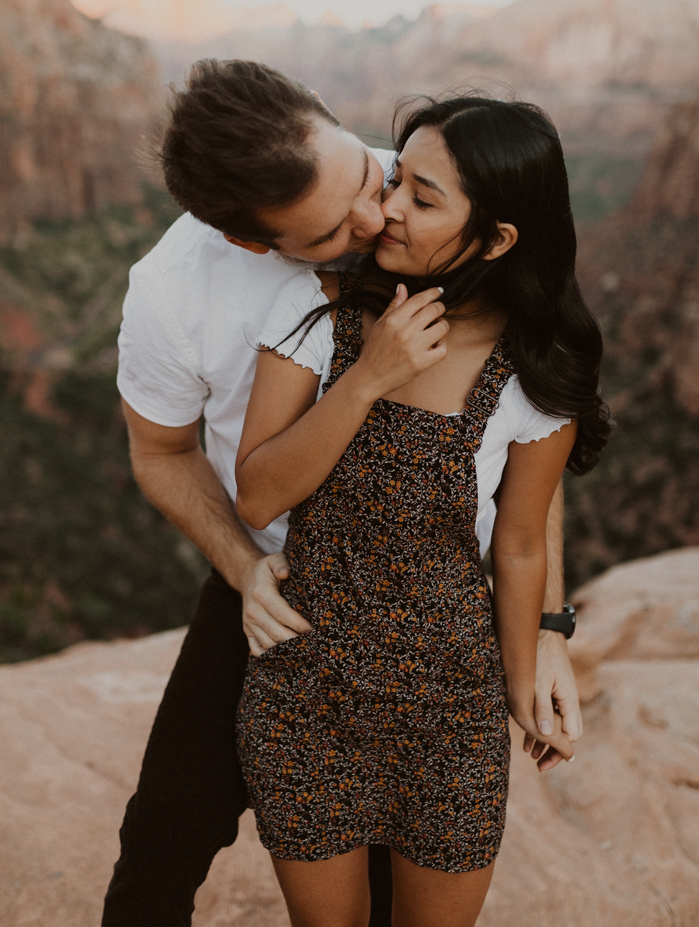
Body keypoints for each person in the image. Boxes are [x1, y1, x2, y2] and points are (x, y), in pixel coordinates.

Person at [103, 62, 583, 927]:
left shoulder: (429, 190)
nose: (375, 221)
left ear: (333, 123)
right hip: (280, 585)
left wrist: (547, 628)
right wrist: (246, 569)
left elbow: (527, 452)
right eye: (332, 232)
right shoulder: (183, 294)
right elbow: (164, 454)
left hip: (437, 611)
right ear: (258, 241)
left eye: (375, 179)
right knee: (166, 837)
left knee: (410, 877)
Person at [233, 94, 611, 927]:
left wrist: (527, 686)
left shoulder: (534, 369)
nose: (388, 209)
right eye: (397, 180)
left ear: (498, 237)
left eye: (423, 198)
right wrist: (370, 375)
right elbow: (258, 491)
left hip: (451, 717)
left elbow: (517, 548)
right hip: (307, 698)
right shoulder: (321, 308)